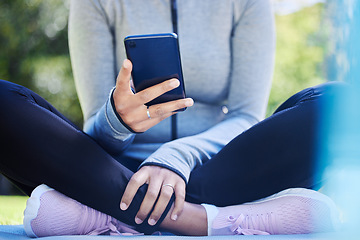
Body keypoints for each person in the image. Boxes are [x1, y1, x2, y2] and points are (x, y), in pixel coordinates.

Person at [0, 0, 341, 236]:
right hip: (113, 173)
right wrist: (118, 120)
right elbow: (95, 129)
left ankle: (112, 216)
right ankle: (204, 221)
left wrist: (175, 158)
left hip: (217, 170)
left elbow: (245, 115)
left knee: (339, 103)